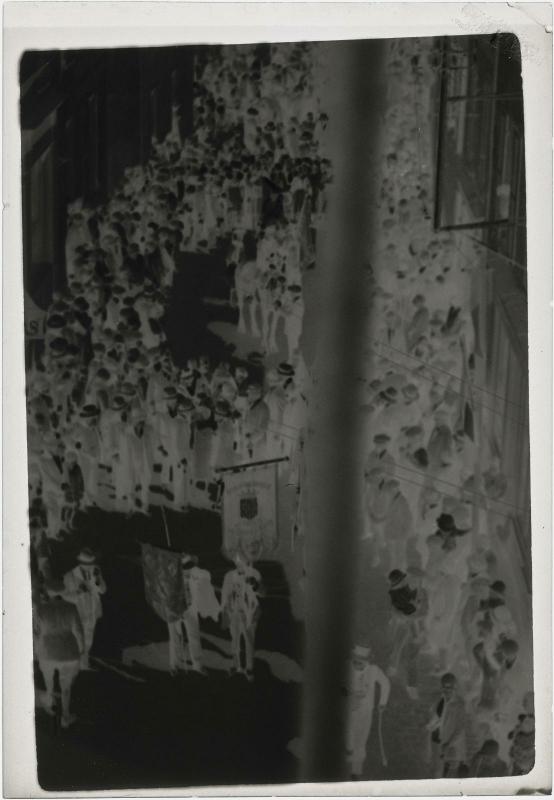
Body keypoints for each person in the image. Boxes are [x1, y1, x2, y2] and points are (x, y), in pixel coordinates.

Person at [34, 577, 84, 728]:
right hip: (68, 652)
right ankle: (65, 717)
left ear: (47, 593)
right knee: (66, 687)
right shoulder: (71, 607)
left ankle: (50, 705)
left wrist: (37, 651)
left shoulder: (41, 610)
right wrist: (81, 648)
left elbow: (36, 633)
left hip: (47, 652)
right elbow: (78, 631)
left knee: (49, 682)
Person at [344, 644, 390, 779]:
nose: (357, 664)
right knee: (349, 736)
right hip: (349, 710)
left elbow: (385, 683)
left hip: (366, 712)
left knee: (361, 739)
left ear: (367, 661)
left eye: (361, 662)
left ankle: (356, 771)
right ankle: (348, 751)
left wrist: (382, 703)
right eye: (355, 661)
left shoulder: (374, 671)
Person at [221, 552, 263, 680]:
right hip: (234, 613)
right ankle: (235, 665)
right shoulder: (229, 576)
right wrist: (225, 610)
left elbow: (263, 592)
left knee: (249, 641)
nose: (239, 564)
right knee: (234, 640)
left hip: (249, 614)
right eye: (237, 561)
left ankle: (249, 668)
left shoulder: (254, 573)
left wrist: (255, 585)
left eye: (242, 561)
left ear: (247, 561)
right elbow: (224, 593)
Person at [63, 548, 107, 669]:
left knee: (89, 641)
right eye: (87, 564)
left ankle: (84, 665)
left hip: (93, 612)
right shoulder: (70, 576)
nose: (90, 566)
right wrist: (79, 592)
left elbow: (103, 590)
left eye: (91, 563)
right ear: (80, 563)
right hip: (78, 614)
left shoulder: (96, 571)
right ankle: (76, 666)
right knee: (78, 641)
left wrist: (98, 579)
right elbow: (65, 597)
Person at [426, 673, 467, 778]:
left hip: (452, 746)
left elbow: (460, 728)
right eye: (444, 687)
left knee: (450, 774)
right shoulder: (438, 700)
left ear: (455, 687)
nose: (446, 690)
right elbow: (433, 720)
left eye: (449, 687)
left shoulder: (459, 704)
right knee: (436, 772)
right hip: (437, 742)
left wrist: (449, 744)